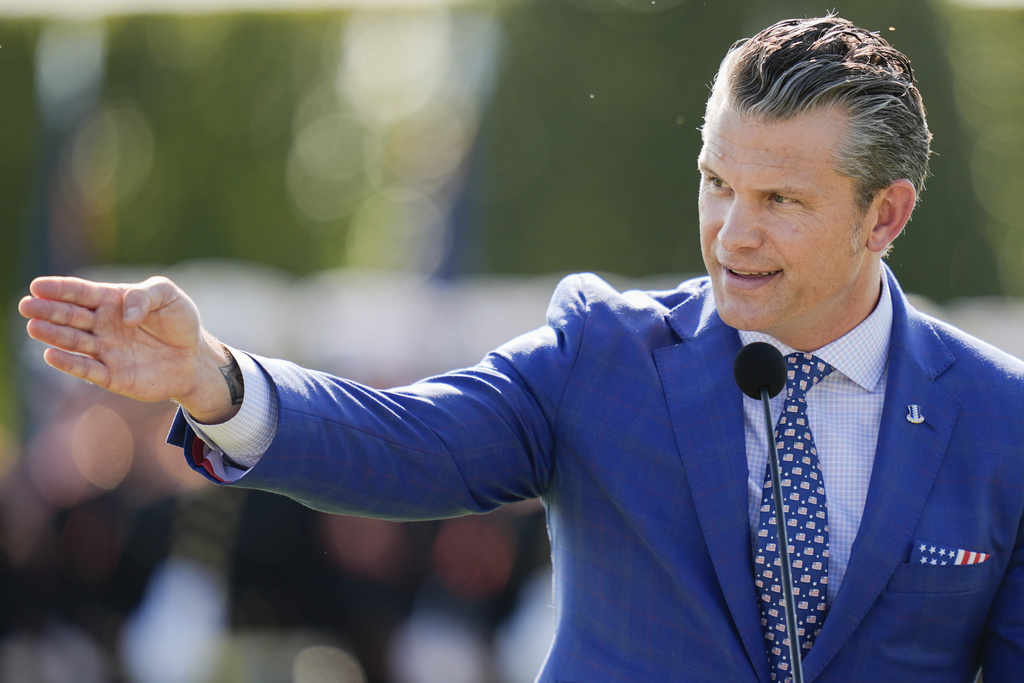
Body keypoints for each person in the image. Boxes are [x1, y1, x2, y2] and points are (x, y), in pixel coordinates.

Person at [19, 14, 1024, 683]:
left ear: (885, 215)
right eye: (717, 183)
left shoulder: (1001, 420)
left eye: (780, 200)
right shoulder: (605, 354)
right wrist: (215, 379)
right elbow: (410, 439)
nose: (732, 233)